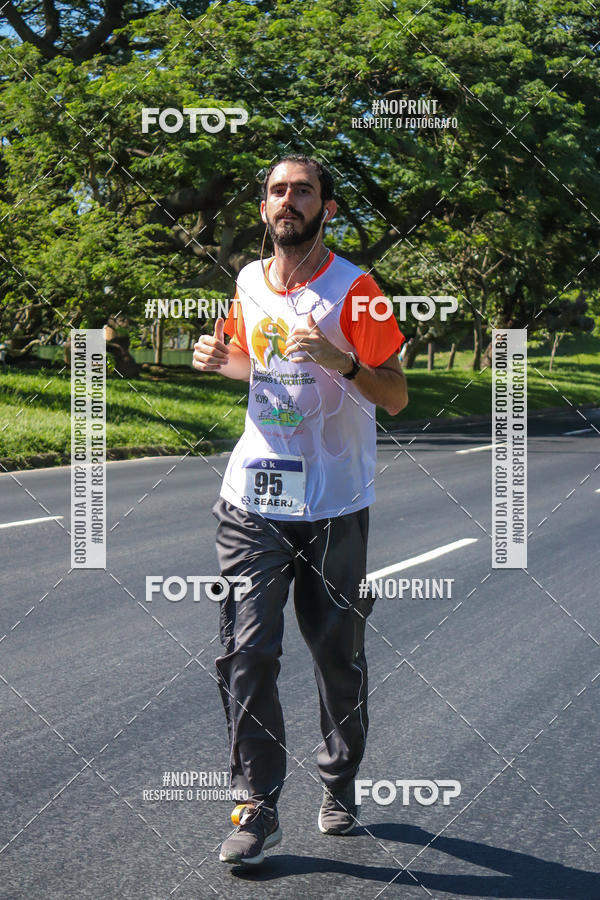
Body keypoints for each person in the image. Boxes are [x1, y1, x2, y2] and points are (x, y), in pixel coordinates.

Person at [192, 154, 408, 866]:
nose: (289, 201)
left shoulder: (360, 292)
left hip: (336, 500)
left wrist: (343, 360)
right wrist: (218, 360)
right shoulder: (249, 282)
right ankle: (256, 805)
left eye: (304, 191)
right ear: (263, 209)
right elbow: (258, 367)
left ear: (327, 209)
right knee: (247, 650)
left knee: (335, 655)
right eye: (278, 191)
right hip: (256, 493)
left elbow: (397, 396)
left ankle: (339, 779)